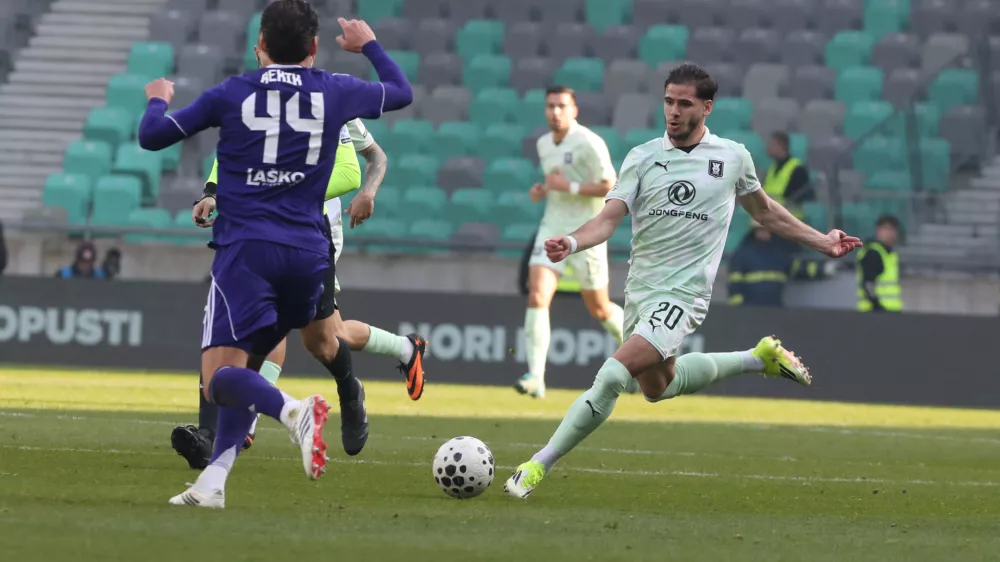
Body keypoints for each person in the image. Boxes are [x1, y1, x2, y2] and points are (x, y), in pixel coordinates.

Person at [503, 63, 861, 499]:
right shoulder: (642, 156)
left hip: (684, 295)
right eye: (669, 101)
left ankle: (537, 464)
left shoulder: (732, 158)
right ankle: (757, 358)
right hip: (641, 292)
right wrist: (574, 242)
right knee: (658, 387)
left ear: (706, 108)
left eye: (684, 103)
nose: (673, 111)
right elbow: (608, 219)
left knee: (613, 374)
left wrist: (822, 242)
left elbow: (765, 211)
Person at [137, 0, 413, 508]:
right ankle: (213, 482)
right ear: (313, 48)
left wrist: (157, 99)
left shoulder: (234, 92)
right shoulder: (334, 89)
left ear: (258, 45)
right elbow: (401, 92)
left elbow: (152, 137)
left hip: (247, 253)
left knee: (219, 381)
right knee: (260, 356)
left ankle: (292, 411)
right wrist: (368, 44)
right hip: (309, 254)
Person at [170, 117, 427, 471]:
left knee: (322, 339)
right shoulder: (257, 98)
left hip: (313, 231)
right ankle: (217, 432)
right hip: (260, 225)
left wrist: (366, 192)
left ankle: (350, 389)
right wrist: (213, 190)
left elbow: (368, 162)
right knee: (254, 320)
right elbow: (229, 149)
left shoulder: (330, 102)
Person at [517, 85, 625, 399]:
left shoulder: (590, 143)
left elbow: (610, 187)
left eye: (562, 106)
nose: (555, 112)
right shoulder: (543, 144)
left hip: (586, 234)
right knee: (537, 294)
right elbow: (556, 183)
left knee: (601, 309)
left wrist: (570, 187)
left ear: (574, 110)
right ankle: (536, 377)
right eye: (550, 106)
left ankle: (633, 347)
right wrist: (543, 190)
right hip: (551, 228)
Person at [726, 219, 796, 307]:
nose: (764, 233)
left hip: (775, 308)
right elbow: (734, 284)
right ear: (754, 231)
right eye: (761, 230)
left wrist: (816, 269)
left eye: (767, 230)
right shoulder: (742, 254)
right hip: (750, 309)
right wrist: (738, 310)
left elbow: (795, 267)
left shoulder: (780, 253)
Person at [857, 214, 902, 312]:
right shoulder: (873, 253)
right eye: (886, 229)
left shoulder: (890, 254)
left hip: (890, 311)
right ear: (878, 230)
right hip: (874, 312)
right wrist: (877, 307)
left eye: (892, 230)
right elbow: (868, 283)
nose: (889, 233)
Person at [763, 131, 811, 218]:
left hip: (789, 220)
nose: (768, 147)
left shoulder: (798, 169)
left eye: (772, 144)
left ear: (781, 145)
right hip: (770, 219)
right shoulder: (771, 169)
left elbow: (799, 197)